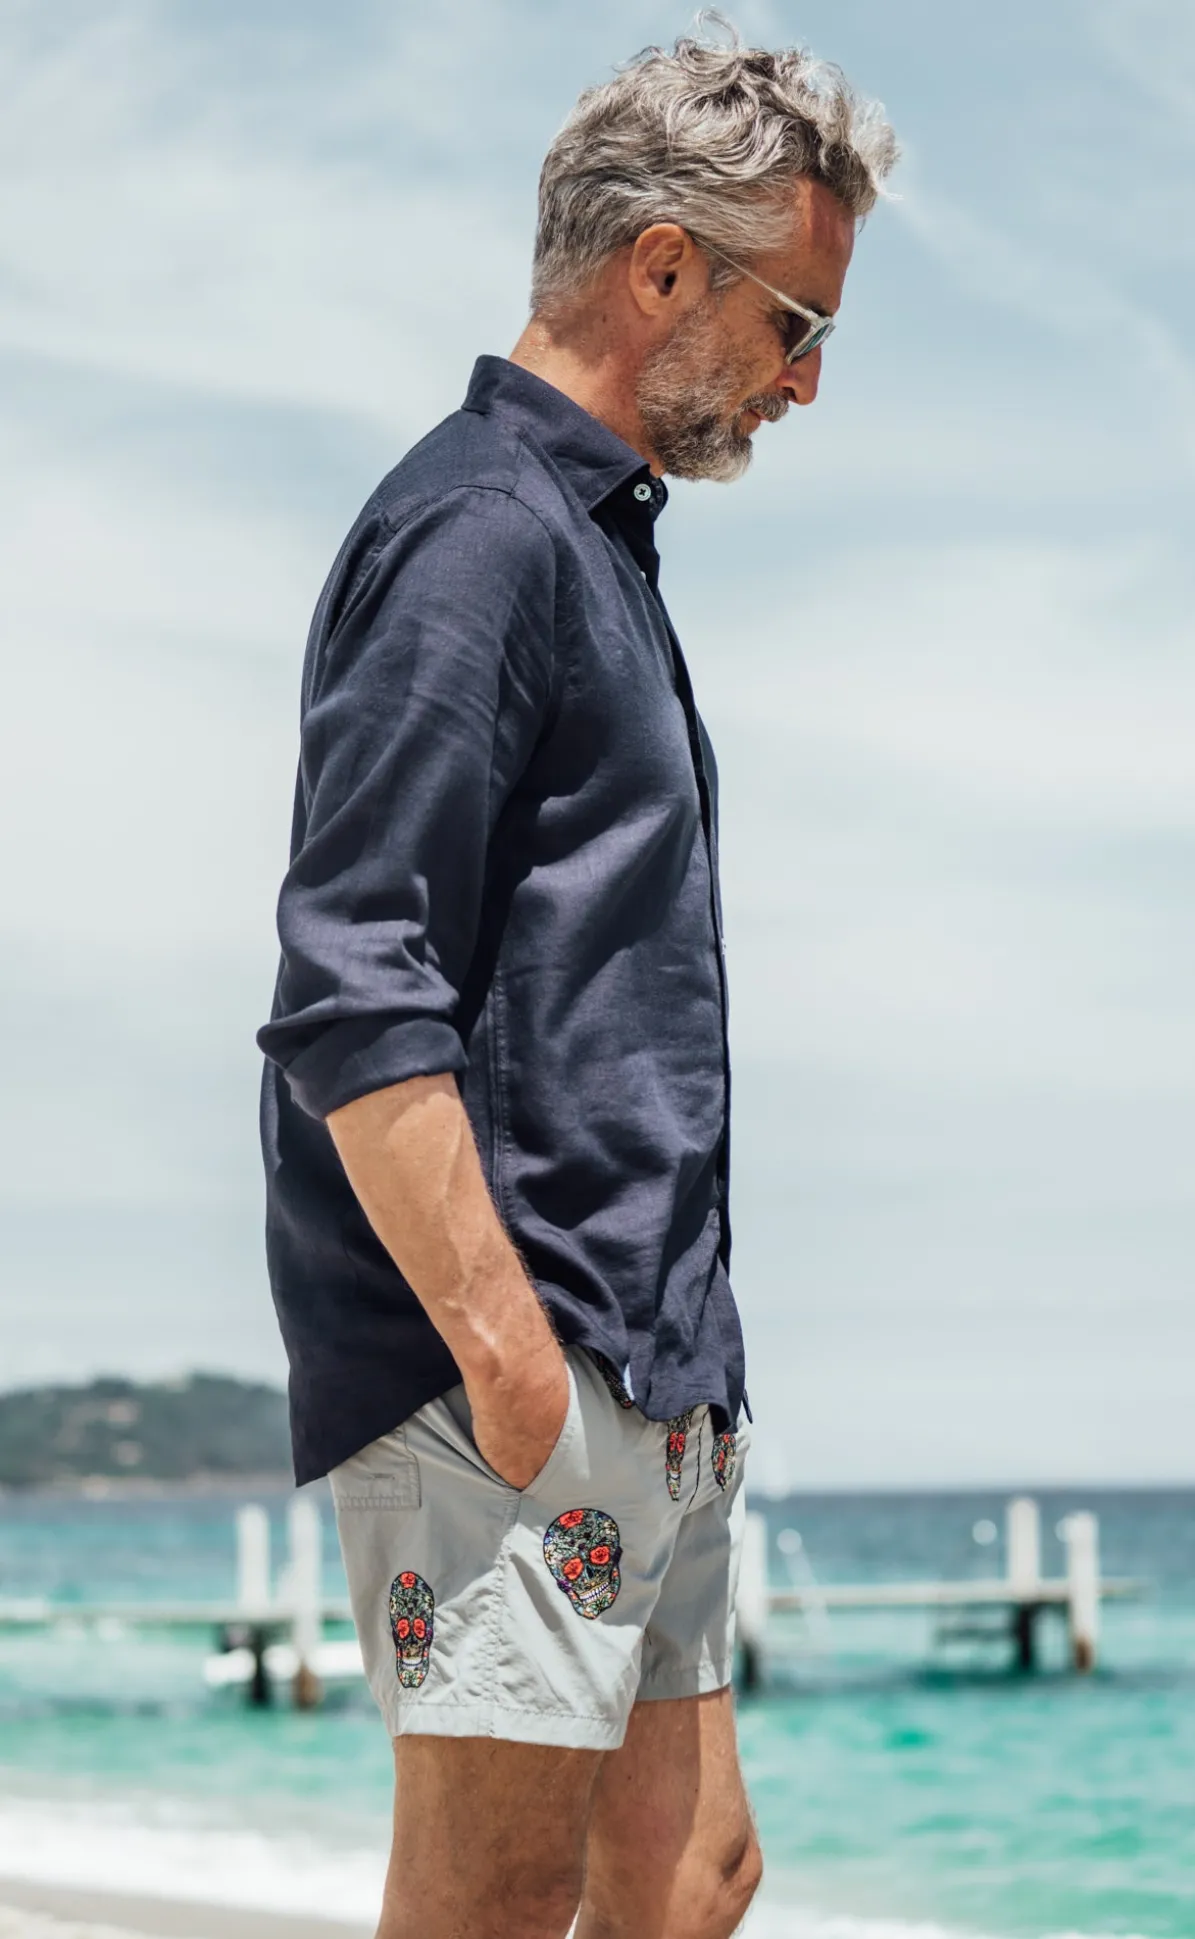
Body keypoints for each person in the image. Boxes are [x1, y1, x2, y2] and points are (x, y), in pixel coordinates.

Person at [258, 24, 895, 1939]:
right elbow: (352, 977)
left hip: (650, 1345)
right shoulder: (480, 532)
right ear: (664, 267)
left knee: (693, 1877)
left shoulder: (593, 547)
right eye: (795, 323)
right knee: (493, 1901)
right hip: (518, 1357)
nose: (804, 379)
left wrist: (674, 1361)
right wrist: (512, 1366)